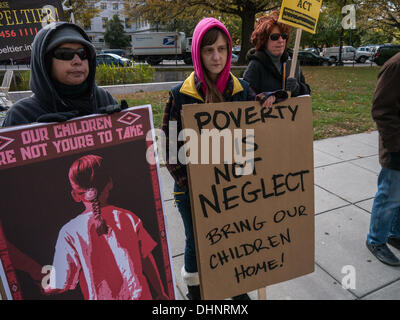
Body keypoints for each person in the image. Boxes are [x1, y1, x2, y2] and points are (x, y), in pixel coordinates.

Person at [161, 17, 285, 300]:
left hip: (234, 188)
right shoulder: (180, 95)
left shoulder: (242, 90)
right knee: (196, 242)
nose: (216, 56)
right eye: (208, 50)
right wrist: (193, 184)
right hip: (192, 191)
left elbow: (258, 129)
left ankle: (235, 286)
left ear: (229, 51)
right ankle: (195, 289)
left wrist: (269, 101)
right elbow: (168, 146)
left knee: (234, 237)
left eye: (221, 49)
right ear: (197, 53)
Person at [43, 154, 169, 299]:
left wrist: (45, 287)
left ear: (75, 195)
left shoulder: (69, 232)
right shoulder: (129, 218)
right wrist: (161, 292)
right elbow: (147, 259)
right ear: (109, 183)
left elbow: (61, 282)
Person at [2, 21, 119, 127]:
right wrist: (35, 135)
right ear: (45, 63)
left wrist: (123, 124)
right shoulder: (22, 114)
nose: (77, 61)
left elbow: (125, 149)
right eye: (65, 54)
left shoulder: (103, 98)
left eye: (83, 53)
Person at [366, 52, 400, 266]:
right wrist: (396, 146)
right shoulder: (395, 66)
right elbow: (381, 109)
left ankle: (395, 234)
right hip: (396, 148)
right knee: (389, 196)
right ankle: (376, 240)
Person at [243, 11, 311, 96]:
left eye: (284, 36)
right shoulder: (255, 65)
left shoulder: (291, 64)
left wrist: (297, 88)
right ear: (263, 40)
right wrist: (265, 97)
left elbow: (307, 92)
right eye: (275, 37)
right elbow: (245, 96)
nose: (281, 41)